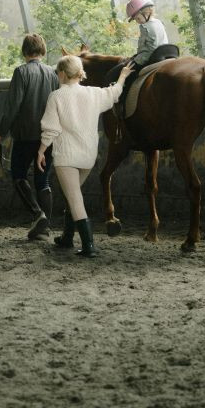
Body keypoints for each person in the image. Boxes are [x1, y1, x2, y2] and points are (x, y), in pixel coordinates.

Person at [37, 55, 133, 257]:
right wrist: (123, 76)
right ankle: (66, 238)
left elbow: (51, 129)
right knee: (73, 196)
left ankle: (89, 246)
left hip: (67, 157)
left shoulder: (56, 96)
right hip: (88, 157)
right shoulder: (94, 93)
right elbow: (114, 92)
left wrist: (41, 151)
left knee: (75, 199)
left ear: (62, 74)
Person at [0, 33, 60, 240]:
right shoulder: (53, 74)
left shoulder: (21, 72)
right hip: (47, 137)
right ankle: (45, 228)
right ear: (42, 50)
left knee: (18, 175)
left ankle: (38, 214)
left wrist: (0, 133)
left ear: (24, 51)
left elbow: (12, 107)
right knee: (43, 181)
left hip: (25, 136)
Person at [106, 0, 169, 90]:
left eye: (138, 18)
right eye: (136, 20)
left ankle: (120, 93)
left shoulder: (145, 27)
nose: (138, 22)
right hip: (165, 54)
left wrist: (136, 60)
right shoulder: (159, 22)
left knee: (121, 72)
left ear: (146, 12)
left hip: (149, 57)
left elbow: (149, 50)